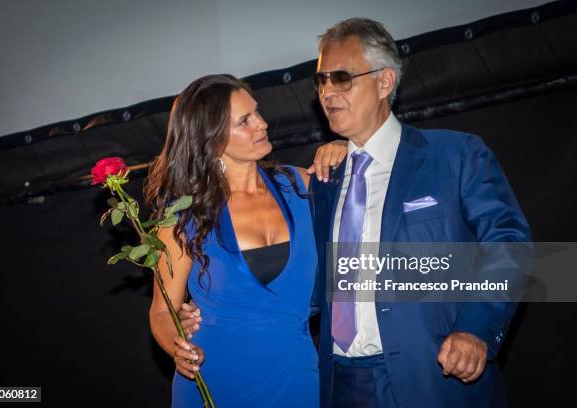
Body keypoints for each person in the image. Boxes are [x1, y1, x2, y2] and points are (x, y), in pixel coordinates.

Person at [181, 18, 531, 408]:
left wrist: (477, 329)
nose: (327, 92)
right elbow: (303, 281)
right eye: (321, 80)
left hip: (433, 379)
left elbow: (511, 245)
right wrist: (214, 303)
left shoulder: (455, 155)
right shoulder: (320, 181)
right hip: (339, 386)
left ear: (384, 82)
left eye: (342, 77)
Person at [143, 74, 347, 407]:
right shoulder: (183, 216)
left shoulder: (301, 185)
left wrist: (346, 149)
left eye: (257, 112)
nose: (262, 124)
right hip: (217, 379)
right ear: (212, 139)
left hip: (297, 376)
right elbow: (162, 311)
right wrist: (178, 349)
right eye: (244, 121)